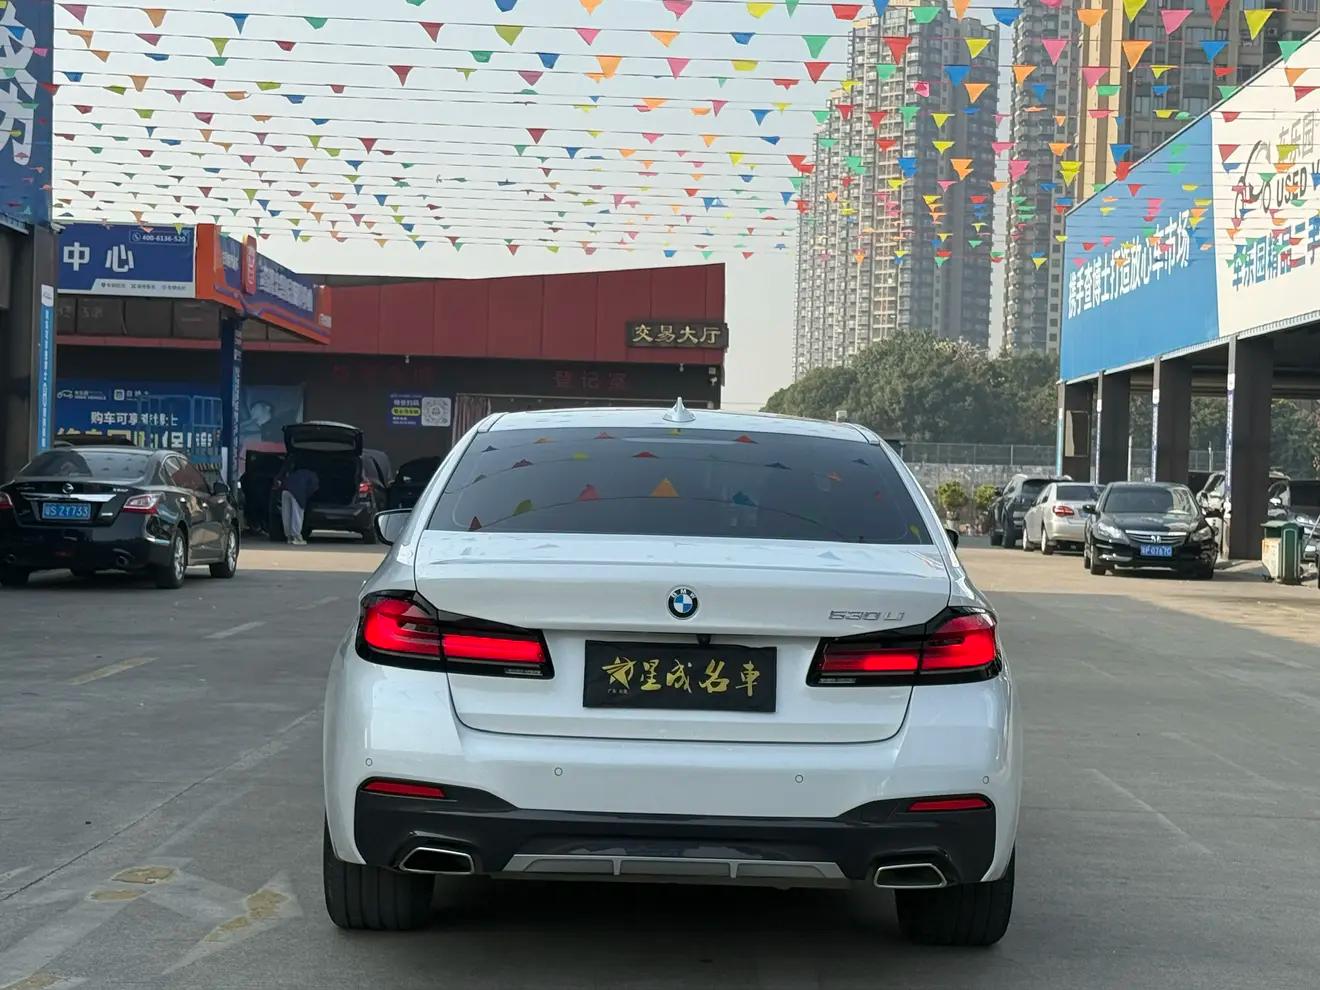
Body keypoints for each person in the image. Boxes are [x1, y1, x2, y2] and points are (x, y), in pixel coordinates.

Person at [281, 466, 319, 546]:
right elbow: (313, 488)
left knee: (286, 514)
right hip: (298, 493)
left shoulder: (298, 472)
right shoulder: (314, 475)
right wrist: (305, 497)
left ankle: (289, 537)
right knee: (297, 514)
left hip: (285, 489)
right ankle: (297, 537)